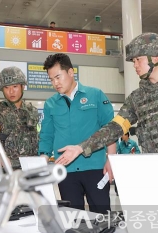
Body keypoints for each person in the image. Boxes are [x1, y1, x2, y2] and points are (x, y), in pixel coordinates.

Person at [56, 32, 158, 232]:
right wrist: (81, 147)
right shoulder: (137, 98)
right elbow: (115, 127)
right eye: (133, 61)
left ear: (155, 57)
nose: (134, 65)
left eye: (138, 60)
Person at [39, 53, 116, 214]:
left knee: (102, 218)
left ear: (71, 72)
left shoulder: (95, 95)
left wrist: (112, 160)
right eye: (51, 79)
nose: (55, 83)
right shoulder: (50, 104)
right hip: (65, 171)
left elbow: (110, 129)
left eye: (58, 77)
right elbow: (47, 135)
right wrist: (42, 161)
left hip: (96, 168)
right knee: (73, 219)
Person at [0, 66, 39, 168]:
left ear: (22, 87)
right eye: (6, 87)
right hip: (8, 169)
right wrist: (1, 157)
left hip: (33, 168)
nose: (11, 91)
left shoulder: (32, 111)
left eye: (15, 86)